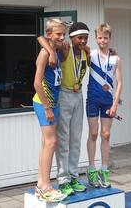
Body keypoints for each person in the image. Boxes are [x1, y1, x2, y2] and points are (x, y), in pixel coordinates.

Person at [37, 22, 89, 196]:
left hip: (78, 94)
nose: (82, 41)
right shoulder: (63, 49)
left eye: (85, 38)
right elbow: (41, 38)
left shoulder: (86, 52)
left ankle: (73, 176)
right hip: (63, 95)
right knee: (61, 139)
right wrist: (51, 51)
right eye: (79, 37)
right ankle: (63, 179)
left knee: (76, 138)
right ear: (72, 38)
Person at [32, 18, 67, 202]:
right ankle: (45, 186)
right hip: (44, 102)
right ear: (49, 34)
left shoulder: (58, 49)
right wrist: (47, 107)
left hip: (54, 102)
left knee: (47, 143)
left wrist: (58, 48)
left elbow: (67, 52)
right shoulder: (45, 54)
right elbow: (37, 83)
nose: (62, 37)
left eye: (63, 33)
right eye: (58, 34)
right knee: (51, 142)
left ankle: (40, 183)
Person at [86, 23, 122, 188]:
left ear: (110, 39)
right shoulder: (90, 54)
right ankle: (91, 169)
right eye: (100, 37)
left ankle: (104, 170)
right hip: (93, 99)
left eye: (105, 38)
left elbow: (120, 83)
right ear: (96, 38)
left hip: (108, 101)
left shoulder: (115, 58)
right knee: (93, 133)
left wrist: (115, 104)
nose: (102, 40)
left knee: (105, 134)